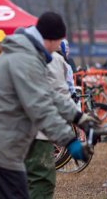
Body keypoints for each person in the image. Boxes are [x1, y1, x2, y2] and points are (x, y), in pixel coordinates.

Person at [0, 12, 98, 198]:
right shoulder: (24, 60)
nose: (56, 50)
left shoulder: (28, 55)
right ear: (50, 39)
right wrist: (70, 142)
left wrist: (79, 117)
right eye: (58, 43)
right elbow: (40, 107)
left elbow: (48, 93)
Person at [24, 37, 81, 199]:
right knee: (42, 180)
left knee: (36, 179)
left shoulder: (25, 60)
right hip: (28, 131)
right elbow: (54, 101)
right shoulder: (53, 61)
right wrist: (70, 137)